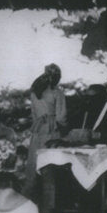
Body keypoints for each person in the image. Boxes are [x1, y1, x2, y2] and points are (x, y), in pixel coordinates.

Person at [25, 64, 68, 195]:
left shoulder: (34, 92)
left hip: (37, 129)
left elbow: (33, 114)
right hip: (51, 130)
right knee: (49, 167)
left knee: (33, 165)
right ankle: (49, 204)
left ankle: (30, 199)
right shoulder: (57, 93)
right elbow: (62, 117)